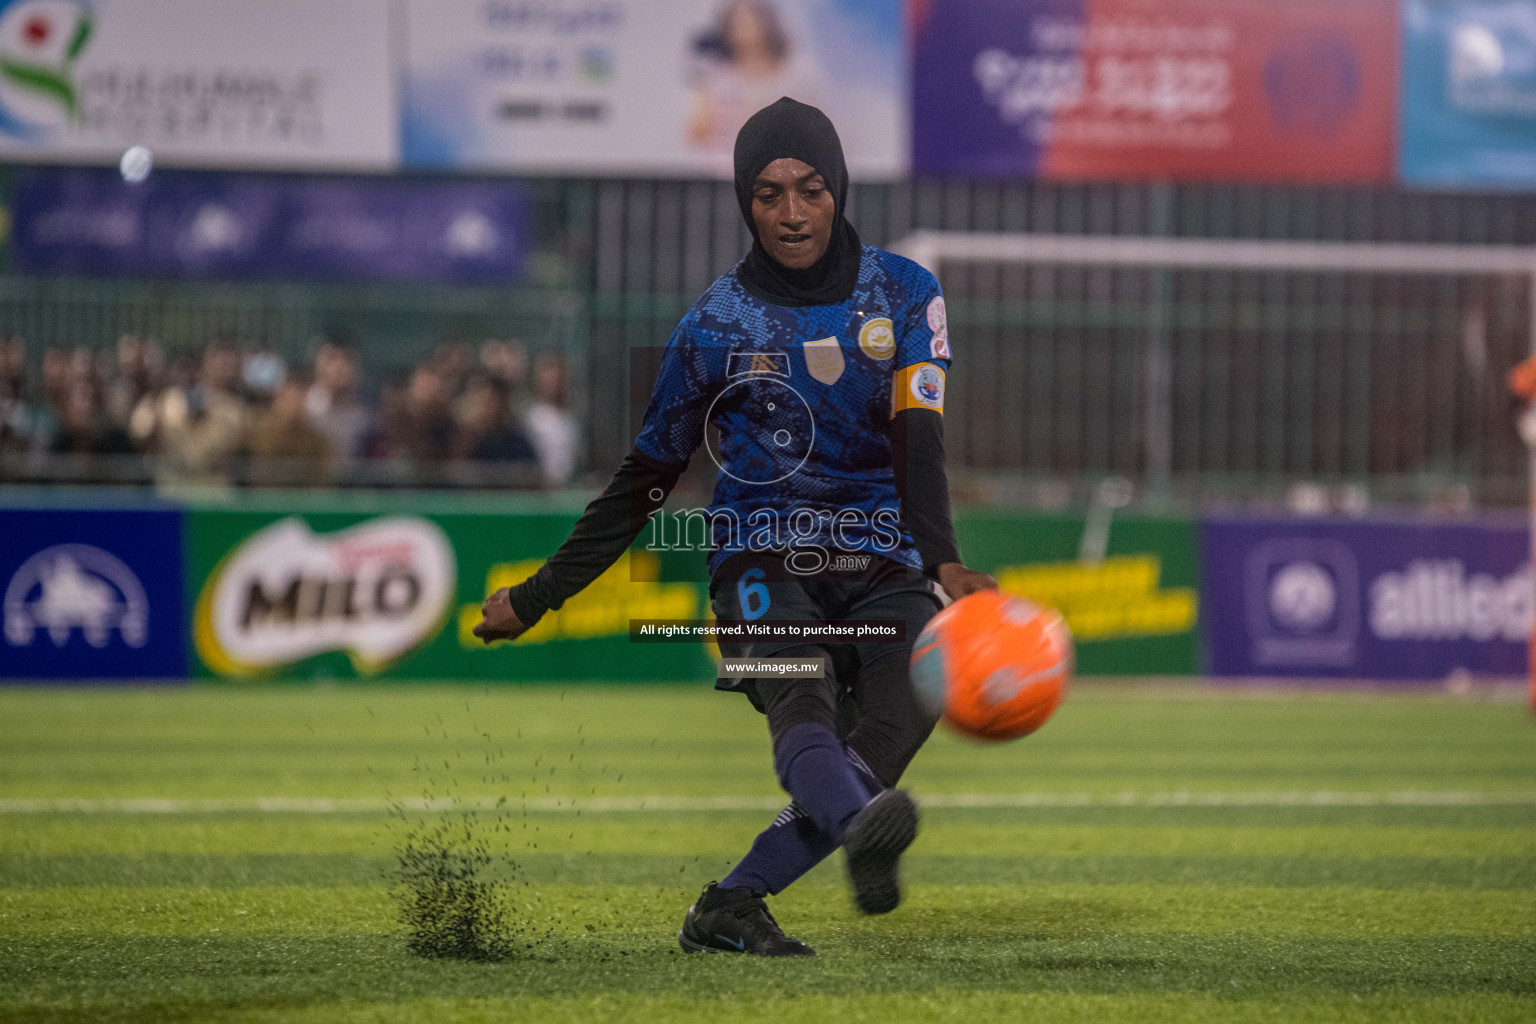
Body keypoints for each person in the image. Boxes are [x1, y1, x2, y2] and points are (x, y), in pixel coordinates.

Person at [473, 98, 995, 956]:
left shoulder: (906, 292)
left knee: (905, 710)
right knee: (805, 700)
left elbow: (918, 434)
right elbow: (645, 479)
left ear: (840, 189)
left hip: (885, 561)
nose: (791, 213)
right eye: (768, 193)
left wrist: (944, 563)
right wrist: (537, 598)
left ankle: (734, 902)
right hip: (760, 560)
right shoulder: (714, 324)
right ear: (743, 202)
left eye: (811, 189)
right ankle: (861, 826)